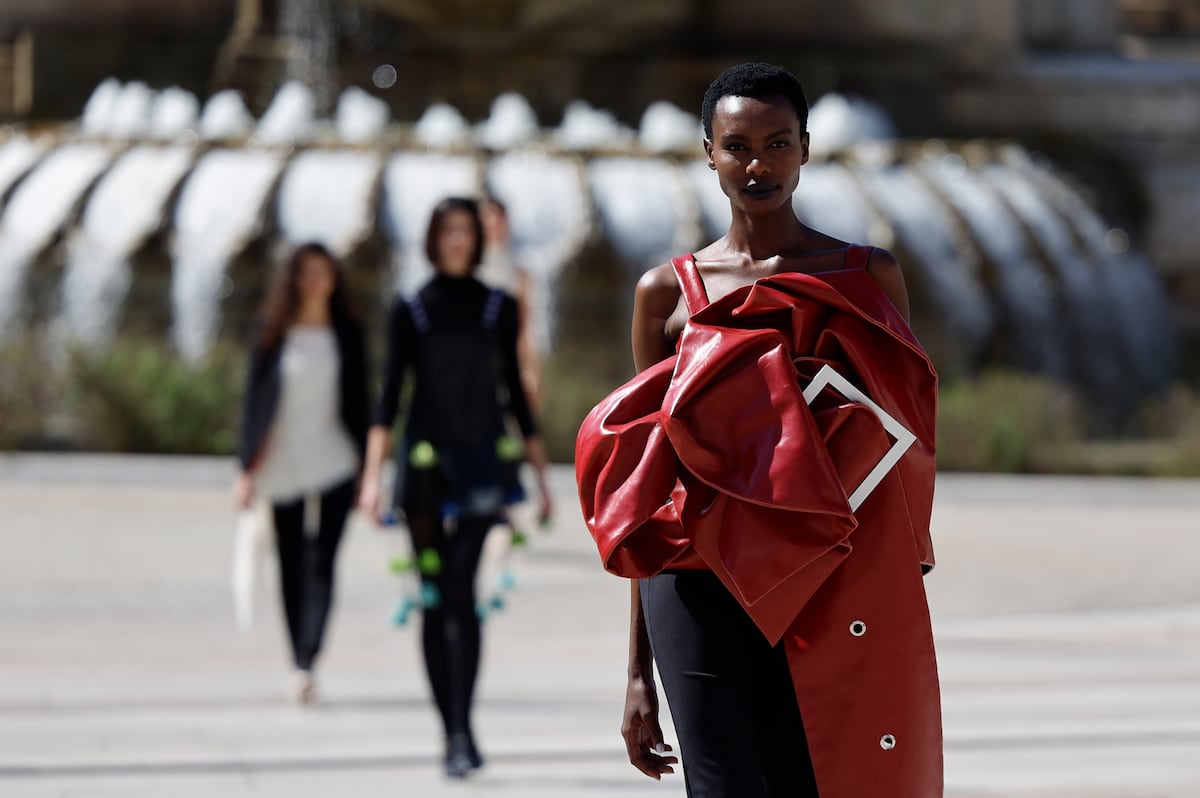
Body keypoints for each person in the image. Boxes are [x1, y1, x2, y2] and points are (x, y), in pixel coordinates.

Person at [575, 63, 942, 796]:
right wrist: (637, 673)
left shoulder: (866, 277)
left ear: (805, 147)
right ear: (708, 153)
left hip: (823, 572)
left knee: (814, 779)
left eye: (777, 144)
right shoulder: (665, 295)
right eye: (737, 146)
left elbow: (905, 440)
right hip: (694, 577)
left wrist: (899, 573)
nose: (758, 165)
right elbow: (647, 488)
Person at [357, 196, 553, 779]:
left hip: (483, 463)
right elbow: (389, 397)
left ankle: (464, 728)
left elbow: (516, 397)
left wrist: (541, 478)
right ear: (433, 238)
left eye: (467, 230)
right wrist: (371, 478)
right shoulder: (410, 308)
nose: (459, 239)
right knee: (434, 594)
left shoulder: (498, 306)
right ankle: (450, 732)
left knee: (463, 593)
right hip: (423, 467)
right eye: (448, 230)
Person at [234, 241, 369, 704]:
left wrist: (369, 468)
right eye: (307, 273)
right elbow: (253, 401)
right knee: (290, 562)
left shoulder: (348, 331)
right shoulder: (271, 329)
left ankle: (311, 652)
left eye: (323, 273)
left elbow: (362, 400)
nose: (315, 282)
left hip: (336, 458)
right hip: (282, 461)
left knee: (323, 561)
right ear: (292, 279)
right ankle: (298, 659)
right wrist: (245, 468)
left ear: (334, 280)